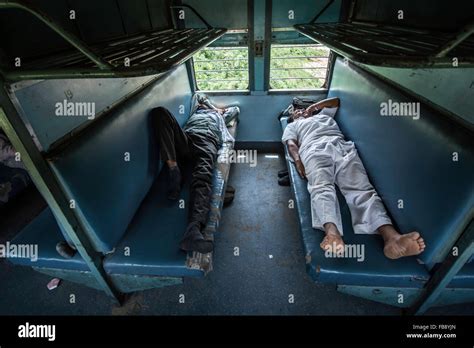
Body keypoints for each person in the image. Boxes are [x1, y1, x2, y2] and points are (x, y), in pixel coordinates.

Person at [282, 97, 426, 259]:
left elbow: (335, 101)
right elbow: (292, 145)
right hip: (313, 149)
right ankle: (332, 233)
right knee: (321, 187)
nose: (299, 112)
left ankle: (392, 238)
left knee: (362, 189)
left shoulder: (324, 115)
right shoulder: (292, 126)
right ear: (292, 118)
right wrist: (298, 161)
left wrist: (313, 108)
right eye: (296, 113)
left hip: (341, 146)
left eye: (300, 110)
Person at [152, 95, 239, 254]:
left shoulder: (220, 116)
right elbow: (199, 95)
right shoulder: (195, 111)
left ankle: (193, 230)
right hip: (186, 138)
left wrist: (217, 111)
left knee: (203, 177)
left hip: (207, 141)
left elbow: (235, 110)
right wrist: (207, 106)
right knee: (160, 112)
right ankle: (173, 169)